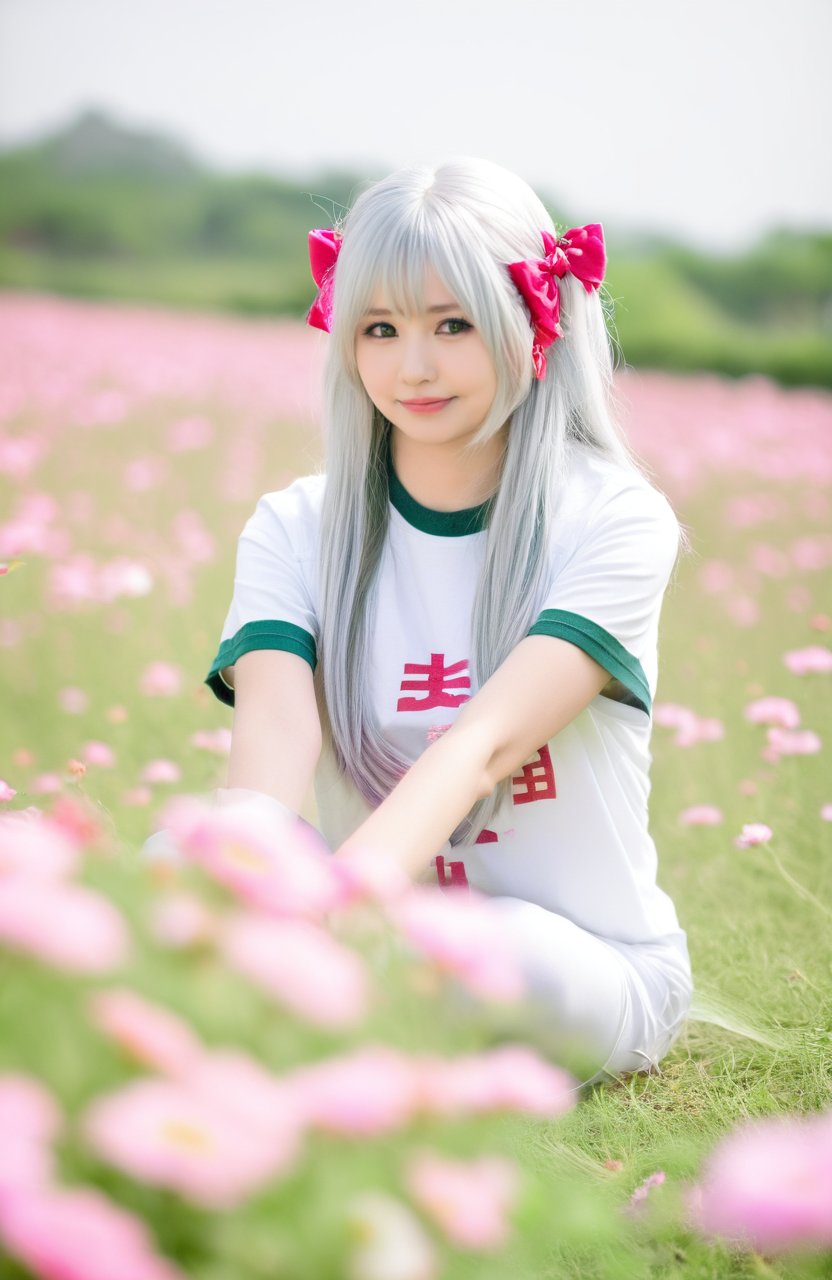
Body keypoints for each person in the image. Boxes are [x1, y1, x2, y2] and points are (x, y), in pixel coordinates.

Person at [198, 156, 693, 1085]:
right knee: (188, 857)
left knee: (489, 952)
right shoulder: (296, 528)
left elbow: (484, 746)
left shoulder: (614, 520)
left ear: (535, 325)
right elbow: (269, 740)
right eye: (379, 328)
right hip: (373, 936)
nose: (412, 366)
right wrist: (239, 888)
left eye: (453, 324)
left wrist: (333, 915)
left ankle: (327, 1013)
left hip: (577, 970)